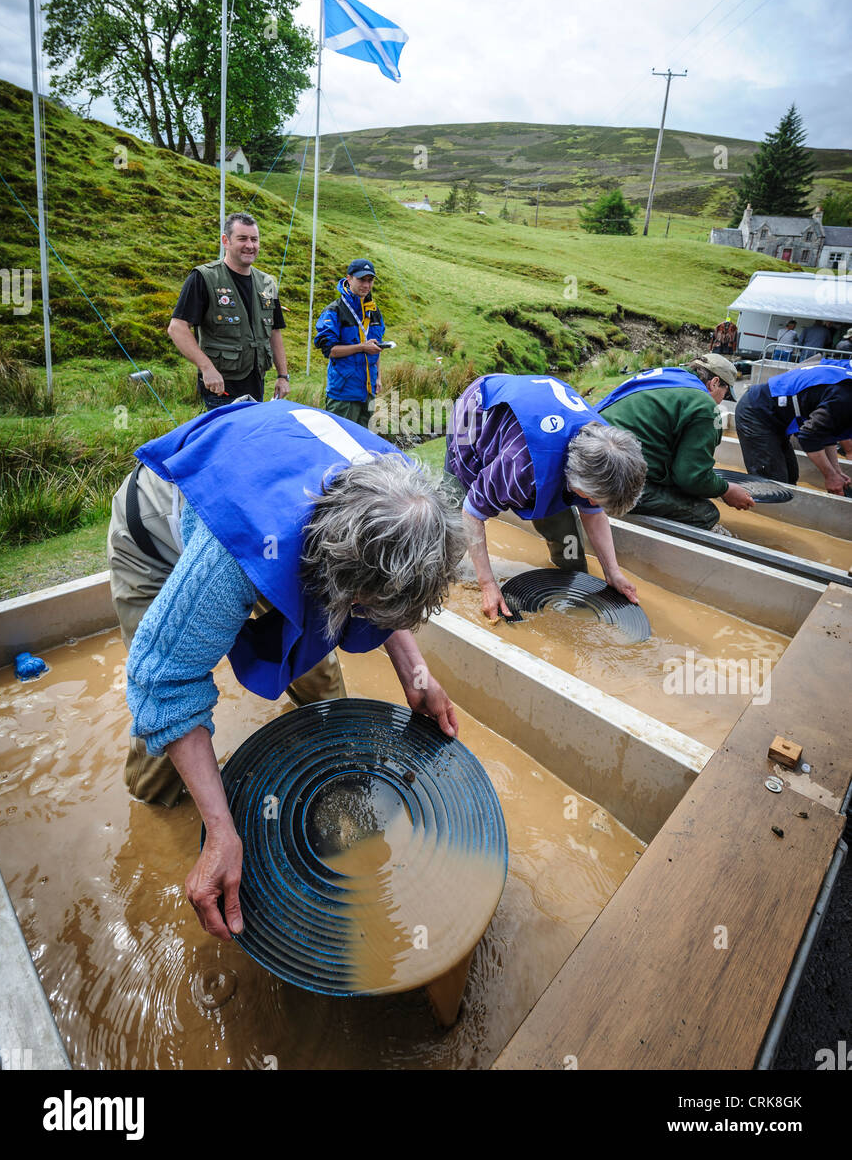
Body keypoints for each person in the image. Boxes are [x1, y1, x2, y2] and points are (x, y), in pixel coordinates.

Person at [107, 398, 465, 940]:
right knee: (161, 736)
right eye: (359, 607)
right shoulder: (235, 546)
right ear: (337, 575)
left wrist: (420, 679)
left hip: (290, 521)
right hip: (160, 540)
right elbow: (164, 680)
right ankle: (154, 804)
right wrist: (221, 831)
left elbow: (383, 597)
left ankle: (325, 778)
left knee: (322, 687)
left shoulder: (400, 497)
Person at [443, 373, 647, 621]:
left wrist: (612, 572)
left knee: (562, 525)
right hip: (476, 411)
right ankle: (434, 575)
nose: (593, 505)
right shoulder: (521, 466)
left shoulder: (604, 447)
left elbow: (592, 513)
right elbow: (472, 513)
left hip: (538, 409)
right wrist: (487, 584)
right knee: (452, 517)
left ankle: (569, 571)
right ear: (574, 476)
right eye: (593, 498)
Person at [597, 357, 755, 531]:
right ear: (715, 383)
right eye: (724, 395)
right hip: (610, 478)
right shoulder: (703, 405)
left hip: (586, 456)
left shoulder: (668, 376)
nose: (720, 402)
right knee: (705, 513)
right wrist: (725, 490)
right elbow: (691, 478)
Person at [168, 212, 290, 410]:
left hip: (256, 383)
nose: (250, 245)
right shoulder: (204, 278)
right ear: (226, 241)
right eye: (242, 239)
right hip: (220, 387)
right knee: (228, 439)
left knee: (249, 438)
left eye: (254, 239)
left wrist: (283, 376)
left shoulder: (267, 283)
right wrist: (207, 369)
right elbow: (177, 328)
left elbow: (275, 332)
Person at [734, 360, 852, 493]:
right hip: (756, 412)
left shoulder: (845, 394)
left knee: (791, 477)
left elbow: (827, 434)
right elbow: (808, 436)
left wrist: (837, 472)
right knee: (773, 484)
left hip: (777, 419)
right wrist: (830, 476)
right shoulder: (846, 397)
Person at [314, 258, 388, 427]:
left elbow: (376, 348)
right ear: (348, 278)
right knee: (340, 444)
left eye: (370, 281)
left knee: (362, 446)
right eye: (361, 279)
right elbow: (330, 350)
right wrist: (362, 347)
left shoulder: (374, 311)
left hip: (368, 392)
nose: (366, 285)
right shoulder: (334, 311)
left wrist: (378, 377)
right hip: (343, 394)